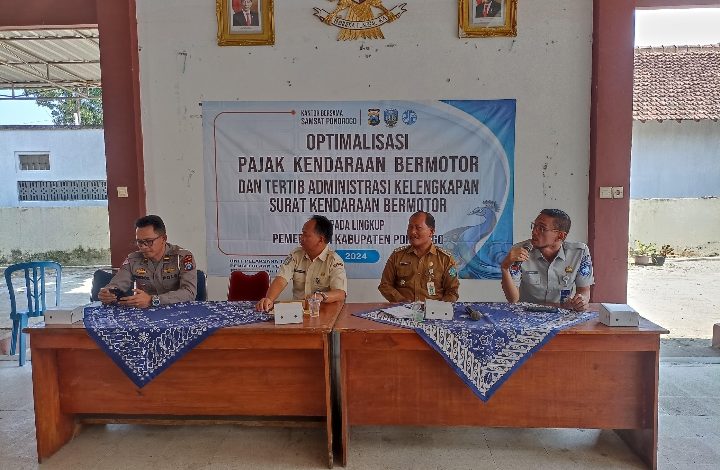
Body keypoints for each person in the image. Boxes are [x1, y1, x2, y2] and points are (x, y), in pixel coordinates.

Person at [500, 209, 594, 311]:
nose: (534, 231)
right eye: (534, 226)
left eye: (541, 228)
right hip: (528, 314)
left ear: (560, 235)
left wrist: (582, 301)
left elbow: (584, 290)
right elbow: (513, 299)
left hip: (562, 314)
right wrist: (505, 268)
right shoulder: (520, 252)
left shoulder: (579, 253)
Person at [98, 215, 197, 308]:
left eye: (149, 241)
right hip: (148, 313)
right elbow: (118, 283)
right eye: (139, 242)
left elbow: (189, 293)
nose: (143, 247)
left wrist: (153, 300)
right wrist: (108, 293)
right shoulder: (133, 259)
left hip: (179, 310)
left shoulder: (182, 257)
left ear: (164, 239)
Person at [256, 215, 347, 312]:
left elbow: (340, 293)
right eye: (301, 234)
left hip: (324, 312)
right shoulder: (296, 255)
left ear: (320, 239)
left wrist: (321, 296)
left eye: (305, 235)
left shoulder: (334, 260)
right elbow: (281, 279)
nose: (301, 238)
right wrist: (269, 299)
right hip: (298, 312)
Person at [379, 211, 460, 302]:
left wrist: (438, 308)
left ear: (431, 232)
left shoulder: (445, 259)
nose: (412, 232)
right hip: (401, 309)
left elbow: (452, 292)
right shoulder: (397, 256)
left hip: (433, 310)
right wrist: (402, 302)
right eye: (410, 227)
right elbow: (385, 285)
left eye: (418, 228)